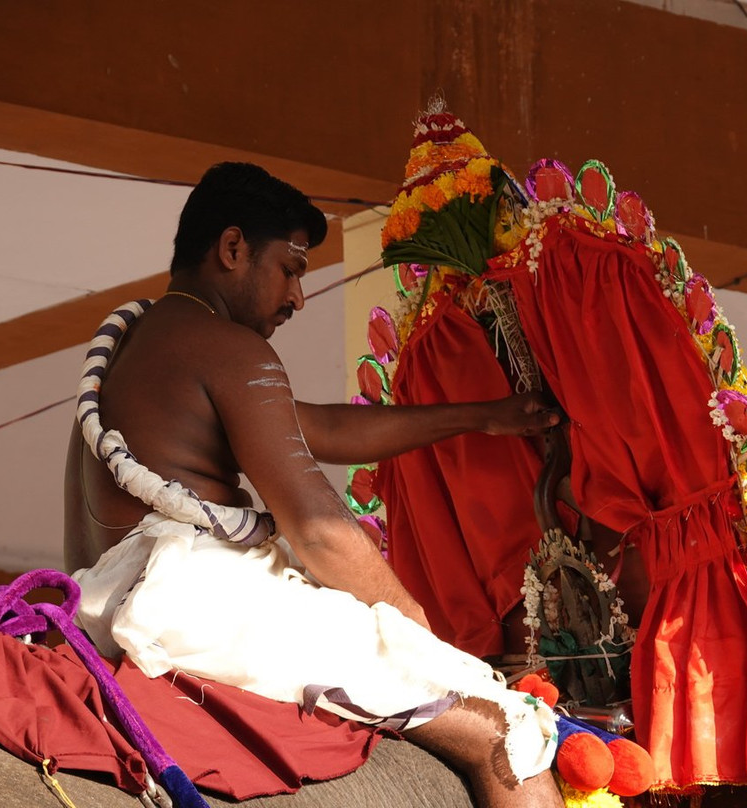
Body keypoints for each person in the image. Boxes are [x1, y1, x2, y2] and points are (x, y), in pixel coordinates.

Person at [62, 162, 563, 808]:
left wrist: (481, 417)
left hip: (111, 602)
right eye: (291, 269)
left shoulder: (142, 344)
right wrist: (418, 632)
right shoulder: (232, 352)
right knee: (507, 736)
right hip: (202, 603)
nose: (299, 297)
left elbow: (314, 429)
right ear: (233, 249)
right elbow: (318, 531)